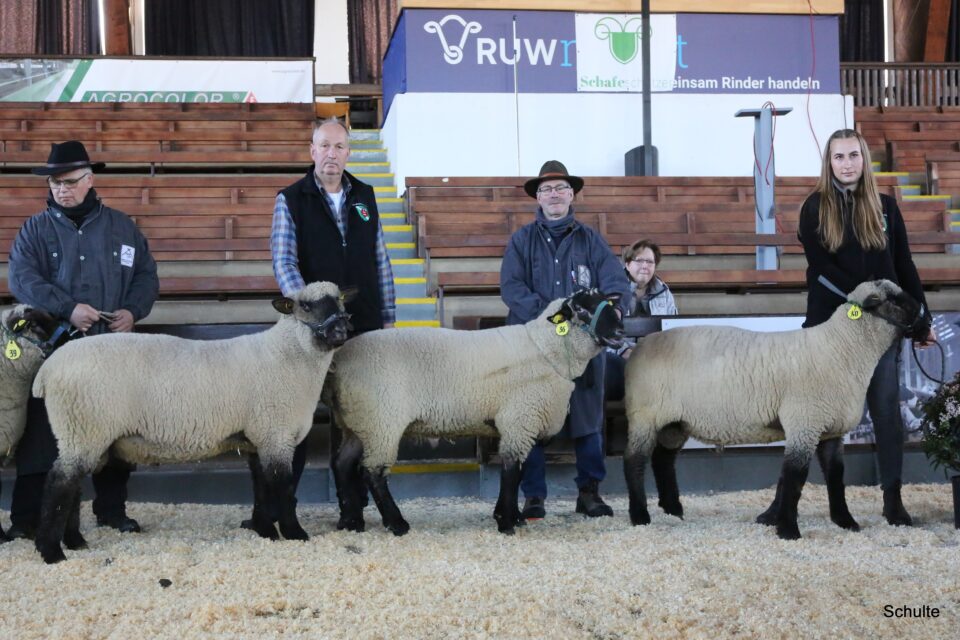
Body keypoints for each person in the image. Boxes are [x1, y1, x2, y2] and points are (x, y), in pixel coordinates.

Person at [6, 140, 159, 538]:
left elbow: (146, 275)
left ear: (90, 180)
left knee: (116, 428)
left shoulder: (122, 228)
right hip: (54, 347)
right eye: (56, 183)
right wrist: (68, 307)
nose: (62, 189)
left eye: (70, 181)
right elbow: (22, 279)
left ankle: (111, 511)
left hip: (112, 346)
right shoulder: (35, 230)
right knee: (43, 432)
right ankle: (26, 519)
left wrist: (132, 311)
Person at [798, 128, 936, 526]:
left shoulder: (886, 207)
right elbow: (821, 267)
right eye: (839, 157)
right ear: (829, 162)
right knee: (817, 414)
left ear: (864, 159)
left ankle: (893, 498)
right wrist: (865, 298)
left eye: (853, 155)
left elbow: (904, 264)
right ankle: (798, 501)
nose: (847, 164)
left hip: (880, 329)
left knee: (886, 409)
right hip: (830, 327)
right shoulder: (815, 207)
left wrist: (921, 318)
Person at [266, 117, 396, 512]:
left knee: (359, 414)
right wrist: (312, 308)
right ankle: (283, 505)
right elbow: (284, 262)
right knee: (299, 414)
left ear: (348, 153)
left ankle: (353, 506)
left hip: (363, 323)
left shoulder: (365, 196)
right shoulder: (291, 199)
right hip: (314, 331)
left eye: (339, 147)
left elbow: (380, 258)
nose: (331, 154)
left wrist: (388, 315)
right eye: (324, 146)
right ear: (312, 151)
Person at [500, 160, 631, 520]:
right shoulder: (521, 240)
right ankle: (533, 496)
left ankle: (589, 492)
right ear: (538, 198)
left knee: (589, 417)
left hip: (583, 347)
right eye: (547, 189)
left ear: (572, 195)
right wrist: (552, 317)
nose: (554, 194)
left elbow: (616, 283)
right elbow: (511, 288)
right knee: (532, 417)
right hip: (535, 347)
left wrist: (615, 309)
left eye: (560, 188)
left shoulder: (591, 240)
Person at [604, 239, 678, 402]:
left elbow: (672, 331)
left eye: (650, 262)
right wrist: (624, 351)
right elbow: (603, 332)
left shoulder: (664, 293)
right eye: (639, 261)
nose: (645, 266)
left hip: (654, 356)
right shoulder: (612, 289)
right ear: (628, 264)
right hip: (620, 356)